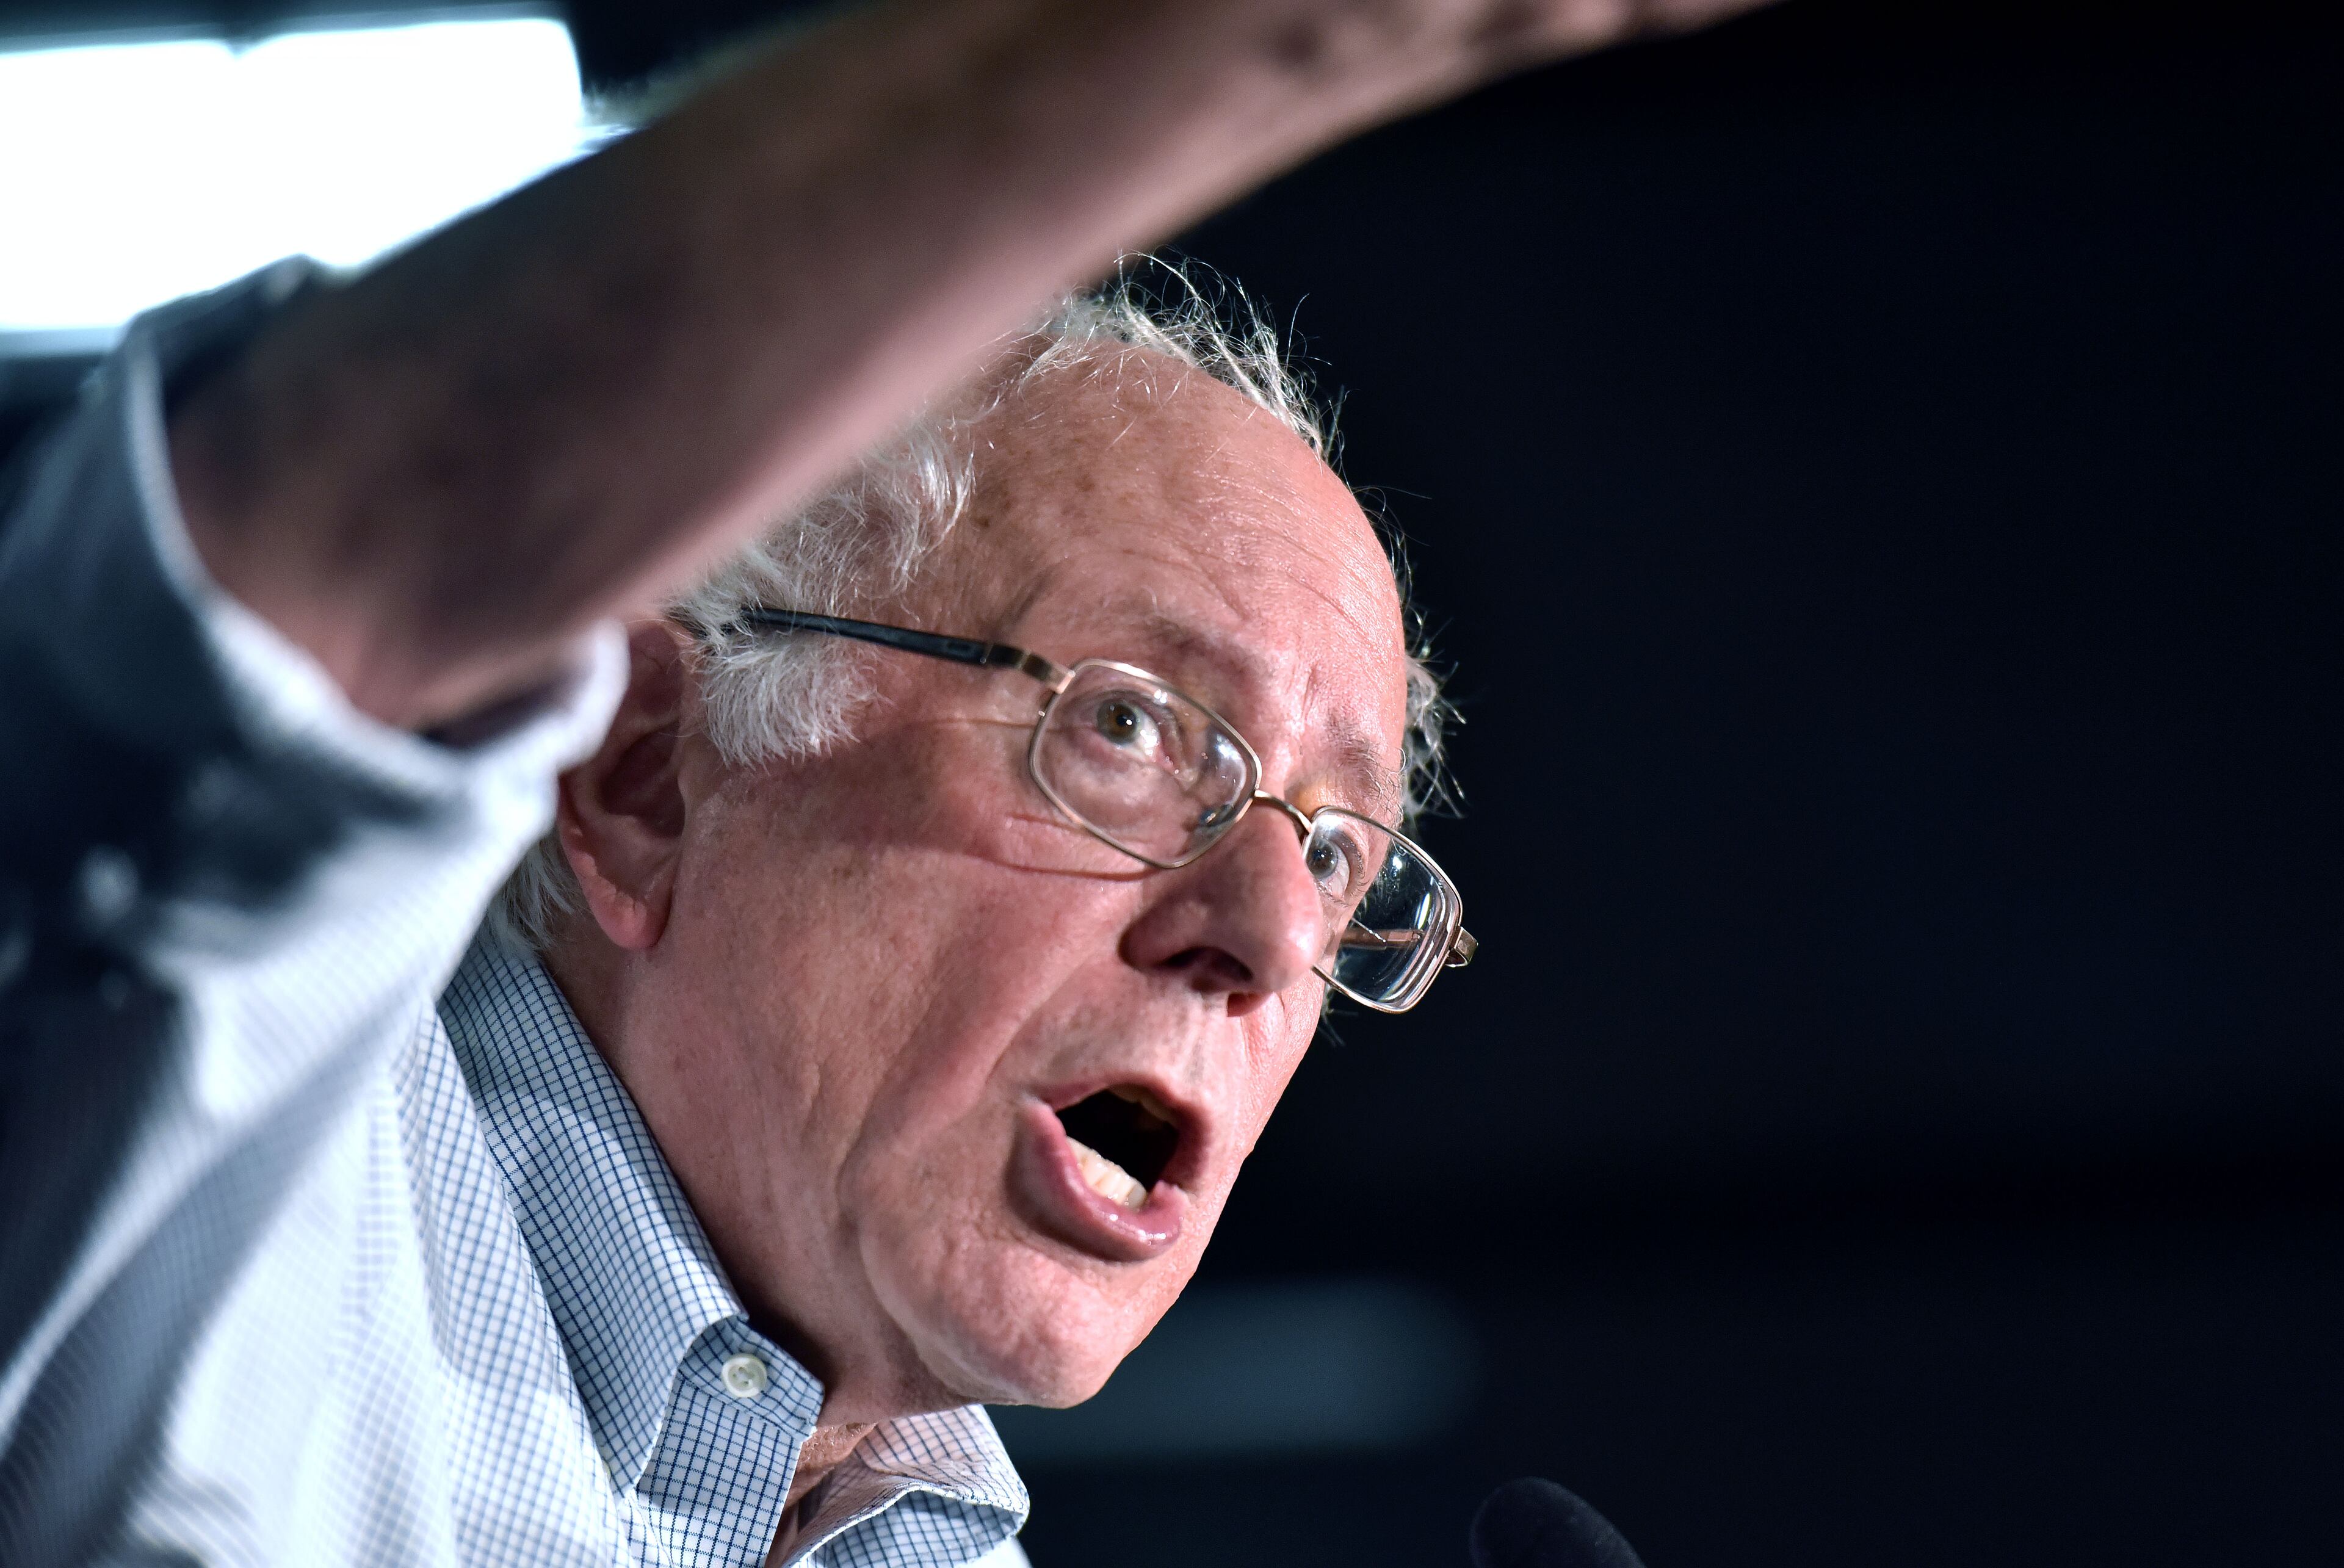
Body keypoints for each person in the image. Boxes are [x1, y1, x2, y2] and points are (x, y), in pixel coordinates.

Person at [0, 1, 1763, 1563]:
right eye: (1133, 730)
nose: (1267, 932)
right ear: (644, 780)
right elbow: (272, 588)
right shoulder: (210, 1188)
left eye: (1340, 854)